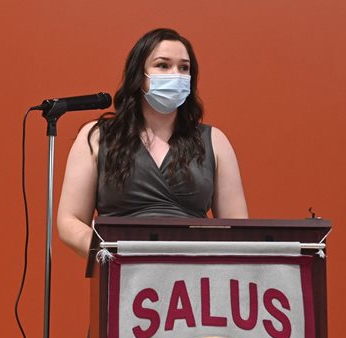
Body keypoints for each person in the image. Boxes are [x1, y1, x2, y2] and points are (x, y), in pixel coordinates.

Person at [57, 28, 248, 257]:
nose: (175, 74)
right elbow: (70, 220)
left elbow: (239, 230)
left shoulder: (215, 141)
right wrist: (110, 254)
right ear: (139, 75)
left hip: (196, 275)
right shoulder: (98, 136)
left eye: (184, 68)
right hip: (122, 272)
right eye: (163, 65)